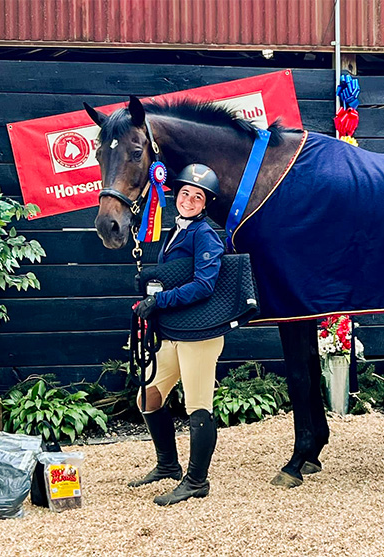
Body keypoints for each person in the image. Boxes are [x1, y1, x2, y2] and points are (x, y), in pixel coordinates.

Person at [129, 163, 225, 506]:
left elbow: (204, 285)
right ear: (177, 195)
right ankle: (168, 464)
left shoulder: (205, 235)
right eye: (185, 193)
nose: (189, 200)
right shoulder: (175, 231)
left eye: (197, 197)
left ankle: (197, 481)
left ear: (204, 204)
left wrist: (159, 301)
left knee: (198, 406)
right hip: (175, 330)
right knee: (148, 397)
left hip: (199, 333)